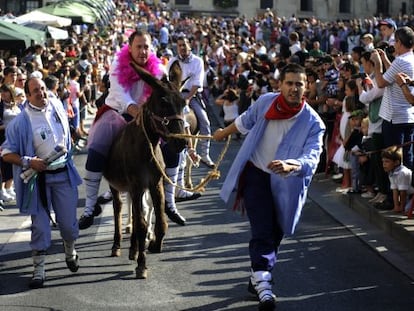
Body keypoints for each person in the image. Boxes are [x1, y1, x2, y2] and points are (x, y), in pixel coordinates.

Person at [213, 63, 325, 310]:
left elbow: (312, 157)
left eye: (299, 84)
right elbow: (244, 121)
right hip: (256, 175)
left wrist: (292, 165)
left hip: (287, 183)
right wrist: (222, 134)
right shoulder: (265, 102)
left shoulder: (313, 123)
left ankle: (257, 277)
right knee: (262, 228)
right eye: (289, 83)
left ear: (306, 87)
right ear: (280, 85)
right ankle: (265, 286)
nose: (294, 88)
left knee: (276, 232)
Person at [78, 30, 165, 230]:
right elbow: (120, 94)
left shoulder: (158, 69)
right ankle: (90, 207)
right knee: (96, 149)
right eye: (139, 46)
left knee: (172, 144)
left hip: (147, 116)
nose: (143, 51)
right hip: (117, 112)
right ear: (130, 47)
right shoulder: (118, 64)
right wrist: (136, 111)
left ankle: (170, 199)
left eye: (146, 47)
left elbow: (163, 92)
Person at [1, 77, 82, 288]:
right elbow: (6, 153)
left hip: (63, 175)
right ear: (27, 96)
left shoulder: (56, 105)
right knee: (40, 228)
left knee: (68, 225)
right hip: (38, 181)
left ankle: (70, 250)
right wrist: (29, 162)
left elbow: (66, 133)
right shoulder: (20, 122)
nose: (41, 93)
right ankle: (39, 270)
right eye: (35, 91)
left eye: (43, 89)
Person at [370, 26, 414, 170]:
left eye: (395, 42)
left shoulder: (400, 61)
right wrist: (384, 60)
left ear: (400, 42)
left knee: (394, 160)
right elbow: (394, 75)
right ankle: (406, 191)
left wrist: (377, 63)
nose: (393, 45)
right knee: (407, 158)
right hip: (407, 117)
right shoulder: (410, 58)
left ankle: (395, 192)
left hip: (393, 118)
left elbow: (382, 82)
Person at [170, 35, 215, 168]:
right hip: (176, 95)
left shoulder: (197, 61)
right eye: (179, 45)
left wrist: (188, 98)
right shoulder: (173, 61)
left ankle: (205, 154)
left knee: (205, 121)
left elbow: (197, 83)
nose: (182, 48)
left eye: (184, 45)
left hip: (192, 95)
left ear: (189, 45)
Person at [381, 146, 414, 213]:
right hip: (409, 195)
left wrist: (401, 207)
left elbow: (403, 193)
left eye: (387, 161)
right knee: (405, 209)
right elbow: (395, 191)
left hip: (411, 194)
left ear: (396, 163)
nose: (384, 164)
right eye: (383, 161)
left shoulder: (402, 173)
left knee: (407, 209)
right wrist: (396, 207)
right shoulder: (391, 172)